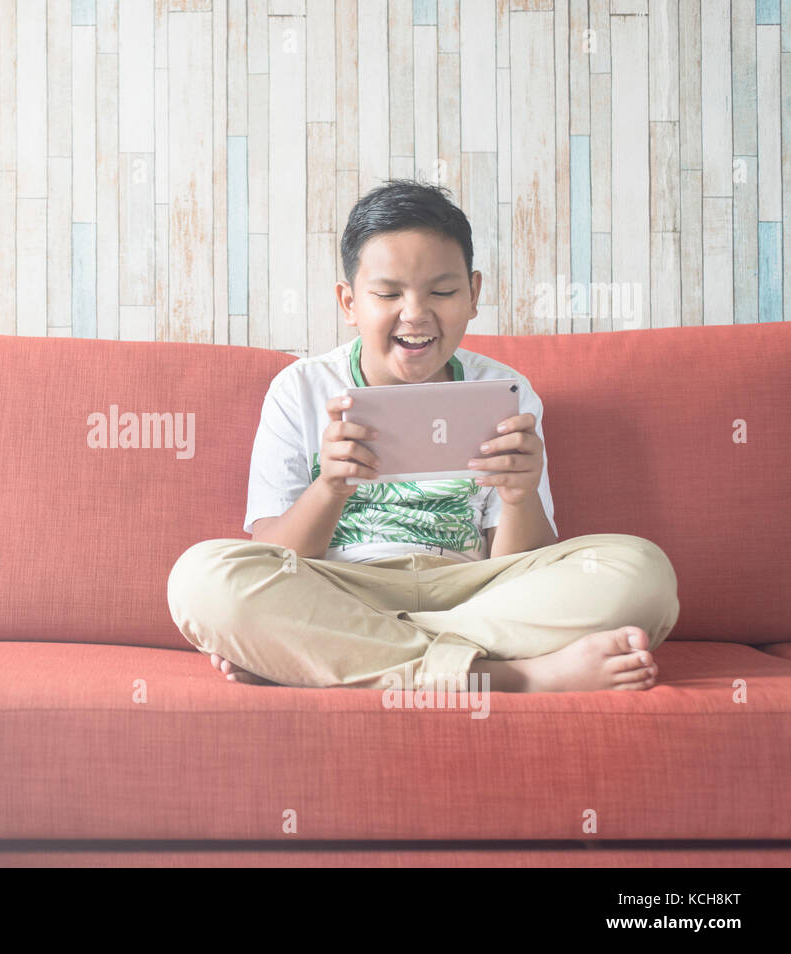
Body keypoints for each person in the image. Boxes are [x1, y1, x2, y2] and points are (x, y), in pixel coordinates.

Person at [166, 179, 679, 692]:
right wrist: (329, 488)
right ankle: (511, 677)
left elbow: (516, 567)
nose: (415, 313)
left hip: (472, 592)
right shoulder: (299, 388)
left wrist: (520, 494)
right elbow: (276, 554)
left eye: (442, 291)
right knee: (201, 579)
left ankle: (327, 655)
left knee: (642, 573)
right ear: (349, 302)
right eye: (388, 293)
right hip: (343, 589)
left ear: (473, 294)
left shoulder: (506, 391)